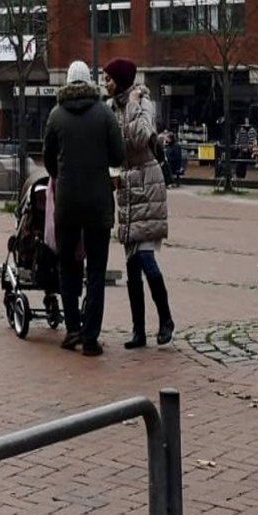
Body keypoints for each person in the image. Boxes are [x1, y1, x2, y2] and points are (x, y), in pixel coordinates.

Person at [42, 60, 124, 356]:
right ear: (89, 81)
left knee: (68, 267)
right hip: (99, 203)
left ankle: (72, 329)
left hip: (67, 203)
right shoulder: (104, 113)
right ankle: (91, 338)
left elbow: (48, 160)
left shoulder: (56, 115)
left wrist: (62, 174)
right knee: (96, 270)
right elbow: (118, 156)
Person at [103, 59, 175, 349]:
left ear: (121, 80)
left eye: (109, 79)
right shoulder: (110, 108)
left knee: (146, 258)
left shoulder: (143, 102)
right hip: (127, 187)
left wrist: (132, 104)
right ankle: (138, 330)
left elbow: (143, 137)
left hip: (147, 183)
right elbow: (115, 148)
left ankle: (166, 319)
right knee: (132, 264)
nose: (105, 83)